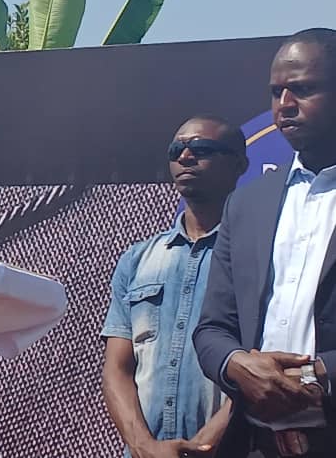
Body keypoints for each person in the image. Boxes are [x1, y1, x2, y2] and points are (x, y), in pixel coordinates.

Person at [194, 28, 336, 457]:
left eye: (303, 89)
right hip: (256, 444)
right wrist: (238, 365)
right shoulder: (246, 203)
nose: (284, 104)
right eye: (276, 92)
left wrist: (317, 376)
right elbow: (213, 328)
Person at [102, 115, 248, 457]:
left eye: (201, 148)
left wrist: (204, 445)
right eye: (175, 150)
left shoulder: (257, 256)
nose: (185, 157)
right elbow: (117, 368)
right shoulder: (138, 259)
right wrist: (143, 446)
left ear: (239, 165)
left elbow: (263, 362)